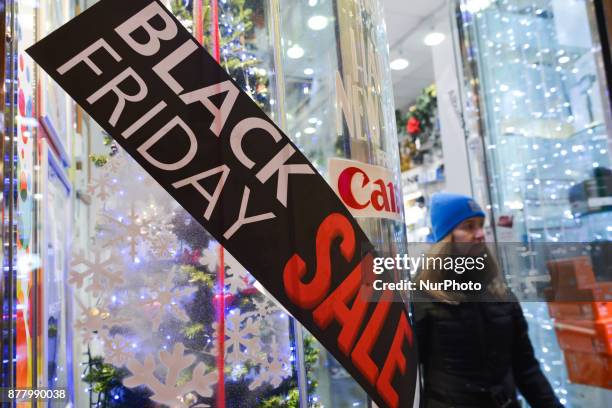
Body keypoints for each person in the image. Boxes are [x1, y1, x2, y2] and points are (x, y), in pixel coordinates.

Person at [413, 193, 563, 408]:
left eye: (481, 225)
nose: (480, 234)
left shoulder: (499, 291)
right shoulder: (424, 295)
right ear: (446, 238)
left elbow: (526, 368)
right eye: (469, 226)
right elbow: (407, 372)